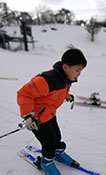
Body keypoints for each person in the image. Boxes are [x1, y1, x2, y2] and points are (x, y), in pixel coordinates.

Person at [17, 47, 87, 175]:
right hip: (36, 119)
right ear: (65, 67)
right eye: (77, 70)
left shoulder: (64, 79)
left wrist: (66, 95)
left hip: (49, 114)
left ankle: (57, 153)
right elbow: (24, 94)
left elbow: (53, 93)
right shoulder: (46, 80)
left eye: (80, 71)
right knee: (48, 142)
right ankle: (46, 162)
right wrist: (28, 116)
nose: (79, 74)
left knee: (57, 136)